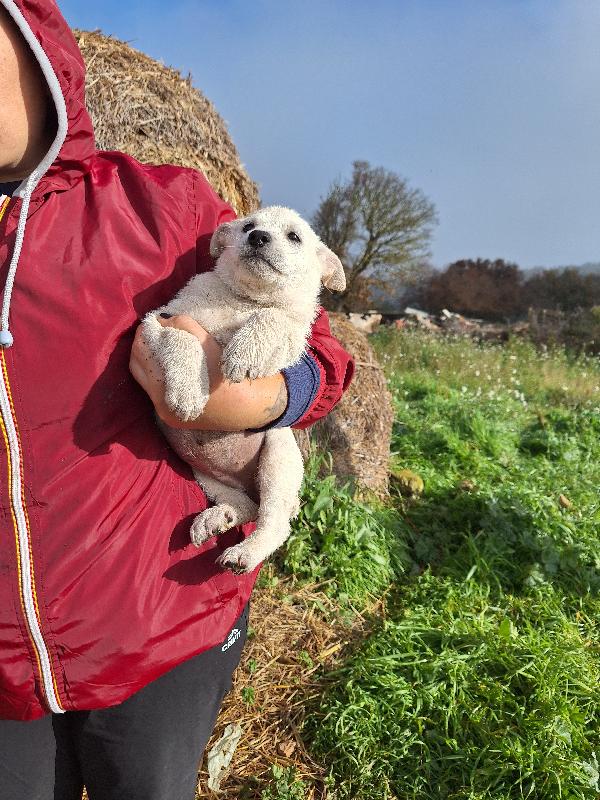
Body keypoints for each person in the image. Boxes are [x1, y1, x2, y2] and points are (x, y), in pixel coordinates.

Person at [0, 1, 354, 799]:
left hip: (159, 612)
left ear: (36, 51)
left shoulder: (159, 207)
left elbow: (325, 351)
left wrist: (260, 399)